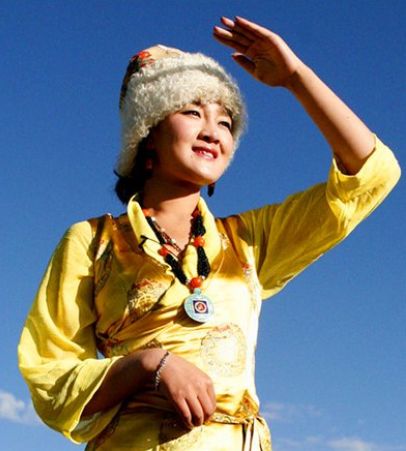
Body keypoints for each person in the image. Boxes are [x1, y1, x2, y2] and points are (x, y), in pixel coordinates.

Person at [18, 16, 400, 451]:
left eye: (225, 121)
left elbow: (373, 174)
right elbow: (50, 375)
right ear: (148, 132)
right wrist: (150, 364)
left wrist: (295, 78)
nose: (212, 131)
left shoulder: (249, 241)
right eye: (192, 112)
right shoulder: (93, 241)